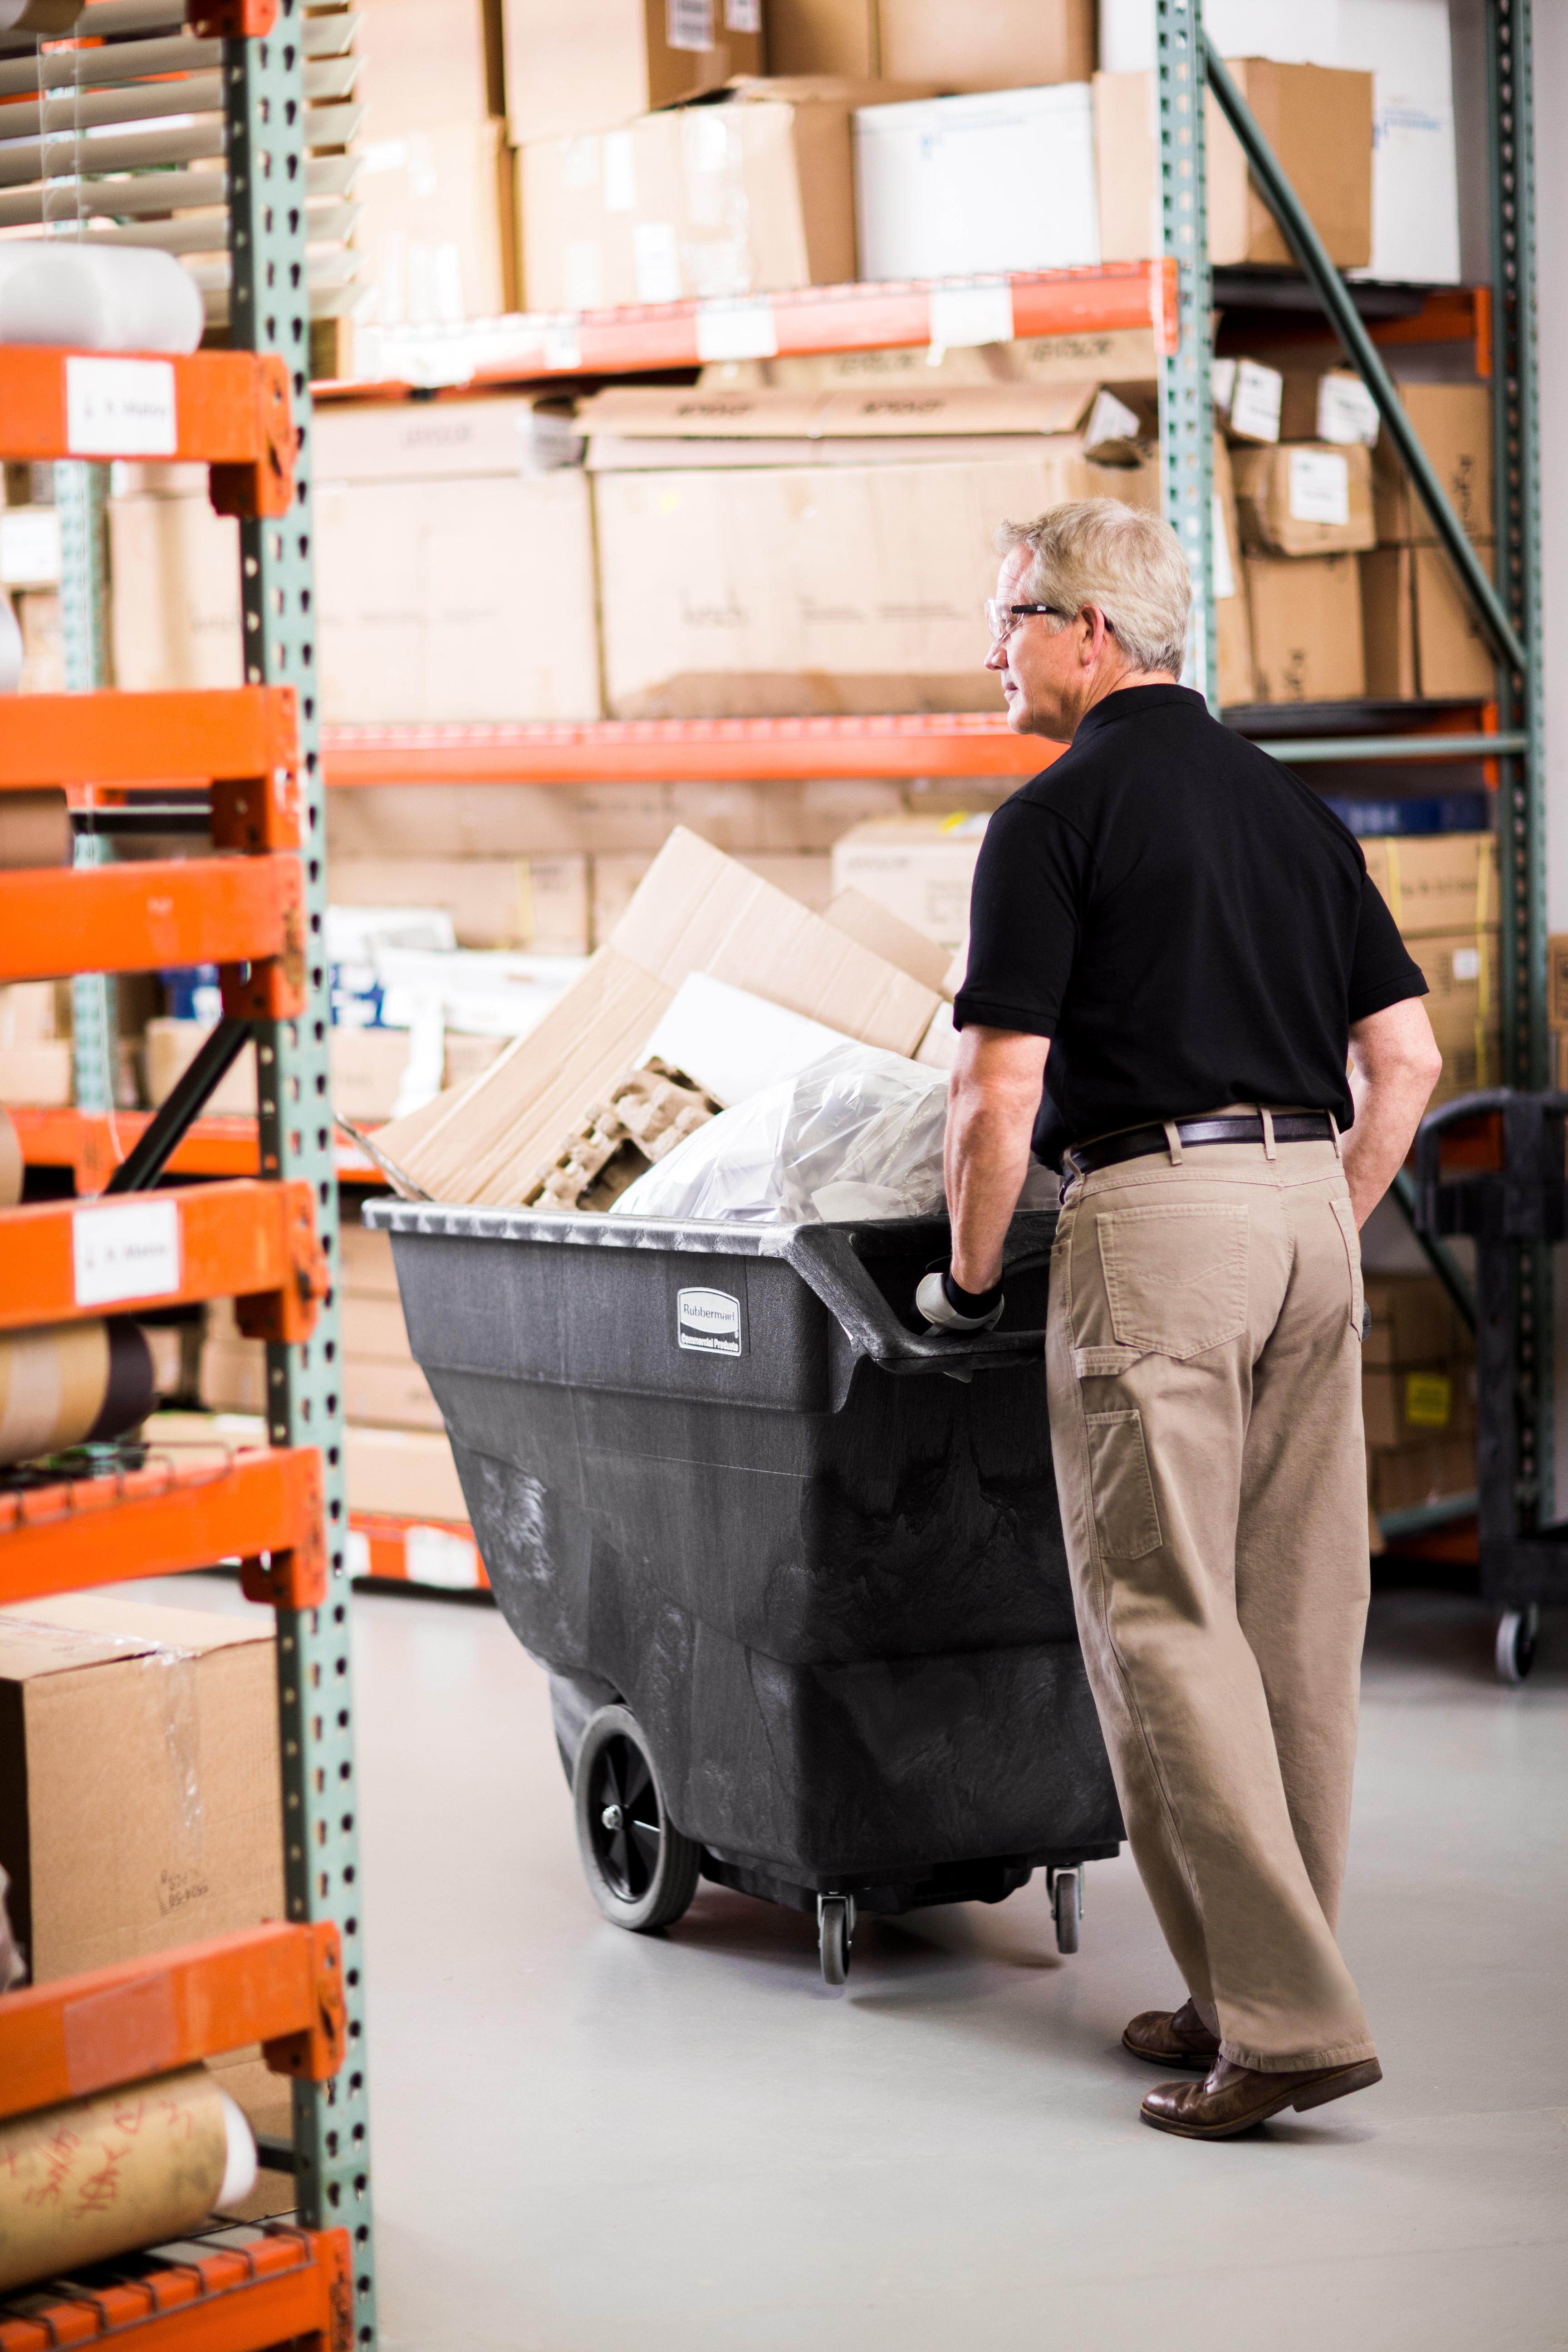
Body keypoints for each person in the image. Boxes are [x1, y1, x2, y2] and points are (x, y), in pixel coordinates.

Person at [917, 500, 1441, 2141]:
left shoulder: (1053, 819)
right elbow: (1408, 1061)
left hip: (1157, 1214)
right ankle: (1249, 1988)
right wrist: (1320, 1214)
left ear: (1092, 635)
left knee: (1160, 1622)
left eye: (1008, 617)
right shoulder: (1295, 812)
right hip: (1306, 1216)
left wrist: (973, 1279)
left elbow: (996, 1098)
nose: (990, 648)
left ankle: (1282, 2026)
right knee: (1295, 1620)